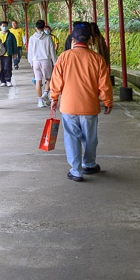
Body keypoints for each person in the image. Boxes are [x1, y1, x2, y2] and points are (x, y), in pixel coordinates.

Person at [50, 22, 114, 182]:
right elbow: (104, 85)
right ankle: (90, 164)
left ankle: (76, 171)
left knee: (72, 137)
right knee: (90, 137)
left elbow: (56, 81)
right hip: (89, 106)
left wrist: (54, 98)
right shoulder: (97, 59)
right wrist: (108, 102)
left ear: (73, 38)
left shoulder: (64, 57)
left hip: (69, 106)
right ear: (90, 39)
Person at [26, 19, 58, 108]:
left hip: (36, 61)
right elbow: (52, 51)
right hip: (46, 61)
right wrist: (55, 62)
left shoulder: (32, 38)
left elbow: (30, 52)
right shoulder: (48, 38)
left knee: (38, 80)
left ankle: (40, 101)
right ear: (44, 27)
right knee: (49, 79)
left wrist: (31, 62)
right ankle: (45, 93)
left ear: (35, 28)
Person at [0, 21, 18, 86]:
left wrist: (15, 53)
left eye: (5, 26)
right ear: (0, 27)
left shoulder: (11, 35)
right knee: (1, 68)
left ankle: (8, 80)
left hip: (7, 54)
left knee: (7, 67)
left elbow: (14, 44)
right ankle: (2, 80)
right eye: (3, 26)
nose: (4, 27)